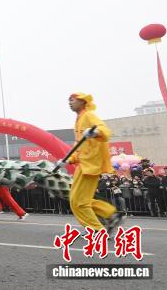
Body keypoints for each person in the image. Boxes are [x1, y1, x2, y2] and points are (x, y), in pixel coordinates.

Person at [62, 93, 124, 234]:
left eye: (72, 100)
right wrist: (68, 160)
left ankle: (97, 230)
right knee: (75, 200)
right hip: (83, 164)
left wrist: (95, 132)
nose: (69, 102)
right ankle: (110, 214)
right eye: (69, 100)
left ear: (82, 101)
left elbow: (105, 131)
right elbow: (79, 147)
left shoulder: (89, 115)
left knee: (80, 202)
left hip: (91, 164)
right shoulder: (78, 120)